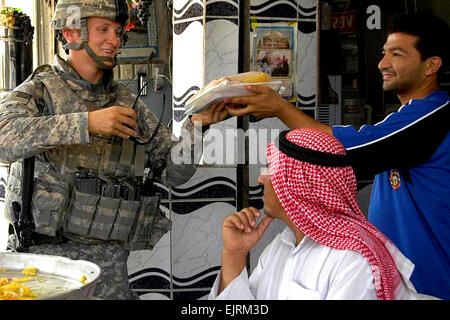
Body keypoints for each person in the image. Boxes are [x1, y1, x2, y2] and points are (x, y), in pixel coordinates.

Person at [0, 0, 227, 300]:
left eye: (118, 32)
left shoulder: (126, 102)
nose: (114, 40)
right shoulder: (41, 91)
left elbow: (174, 172)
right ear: (70, 32)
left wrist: (196, 126)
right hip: (48, 273)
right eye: (103, 29)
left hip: (111, 276)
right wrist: (87, 123)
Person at [223, 13, 450, 299]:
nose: (383, 64)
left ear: (431, 65)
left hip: (431, 286)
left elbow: (336, 152)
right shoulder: (408, 119)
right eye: (384, 53)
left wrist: (279, 107)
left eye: (397, 54)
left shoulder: (431, 117)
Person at [209, 129, 422, 300]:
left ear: (296, 183)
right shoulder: (281, 245)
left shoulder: (352, 261)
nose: (261, 180)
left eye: (269, 169)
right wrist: (234, 255)